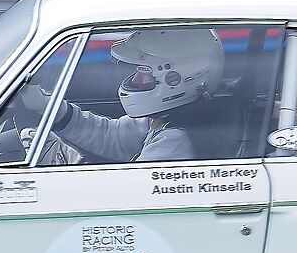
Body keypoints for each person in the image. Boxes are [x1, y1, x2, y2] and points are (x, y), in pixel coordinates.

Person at [18, 28, 228, 164]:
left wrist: (70, 161)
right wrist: (47, 106)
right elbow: (113, 136)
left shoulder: (176, 140)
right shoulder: (165, 117)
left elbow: (128, 191)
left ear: (175, 78)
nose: (135, 80)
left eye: (144, 71)